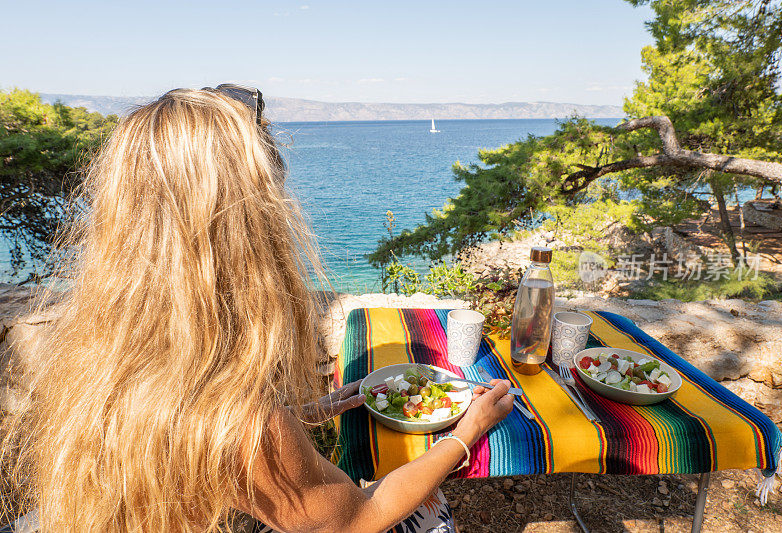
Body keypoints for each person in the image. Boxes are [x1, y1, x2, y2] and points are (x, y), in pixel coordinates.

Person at [1, 86, 514, 532]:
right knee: (431, 512)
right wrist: (466, 435)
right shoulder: (245, 423)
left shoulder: (104, 351)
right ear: (248, 228)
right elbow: (358, 519)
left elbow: (208, 462)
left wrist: (323, 408)